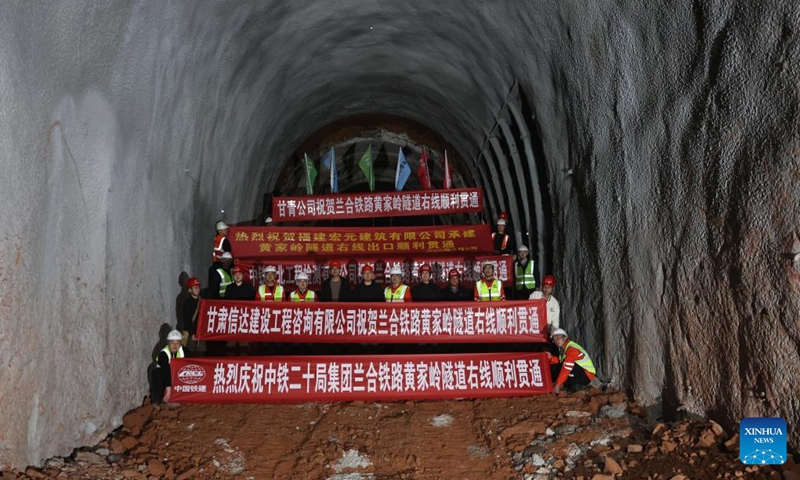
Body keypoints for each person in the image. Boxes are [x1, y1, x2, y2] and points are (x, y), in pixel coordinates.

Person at [547, 328, 596, 393]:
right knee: (554, 367)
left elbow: (567, 367)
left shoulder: (571, 349)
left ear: (564, 338)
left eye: (558, 337)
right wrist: (550, 358)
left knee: (568, 367)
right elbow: (561, 362)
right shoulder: (564, 349)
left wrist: (558, 383)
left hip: (586, 375)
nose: (556, 340)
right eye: (554, 339)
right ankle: (568, 385)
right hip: (580, 373)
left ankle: (576, 387)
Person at [150, 329, 190, 404]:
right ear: (168, 343)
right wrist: (168, 391)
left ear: (180, 343)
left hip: (176, 378)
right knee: (157, 373)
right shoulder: (163, 354)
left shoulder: (183, 350)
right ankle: (157, 400)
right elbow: (166, 371)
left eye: (177, 343)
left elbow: (196, 358)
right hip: (165, 379)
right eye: (172, 343)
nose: (175, 345)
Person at [181, 277, 203, 349]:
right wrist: (192, 333)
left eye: (198, 287)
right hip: (191, 335)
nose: (197, 289)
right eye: (195, 288)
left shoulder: (202, 301)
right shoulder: (187, 303)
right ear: (190, 290)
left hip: (201, 333)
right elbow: (187, 319)